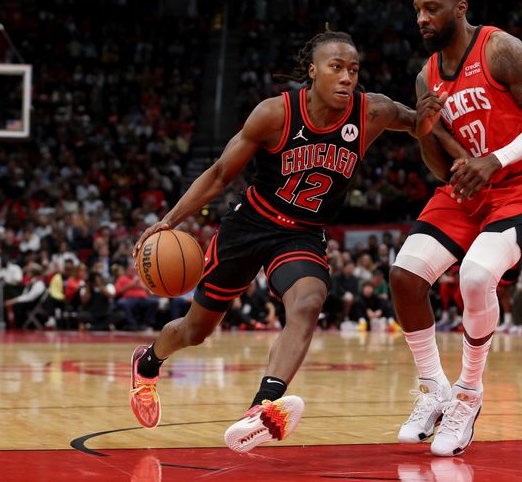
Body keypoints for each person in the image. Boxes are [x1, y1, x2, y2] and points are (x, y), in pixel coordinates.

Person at [128, 30, 425, 453]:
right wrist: (167, 221)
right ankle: (148, 361)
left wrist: (443, 127)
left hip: (303, 234)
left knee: (308, 302)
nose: (346, 78)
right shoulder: (274, 114)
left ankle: (262, 408)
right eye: (335, 68)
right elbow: (217, 175)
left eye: (353, 70)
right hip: (251, 225)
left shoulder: (371, 111)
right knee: (195, 331)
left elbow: (418, 123)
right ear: (312, 71)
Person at [392, 0, 522, 457]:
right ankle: (434, 390)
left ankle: (468, 395)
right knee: (404, 276)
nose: (422, 18)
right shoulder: (426, 74)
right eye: (418, 10)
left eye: (433, 9)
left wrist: (495, 160)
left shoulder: (499, 49)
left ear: (459, 8)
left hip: (521, 183)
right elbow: (438, 165)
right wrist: (425, 130)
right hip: (467, 189)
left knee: (476, 274)